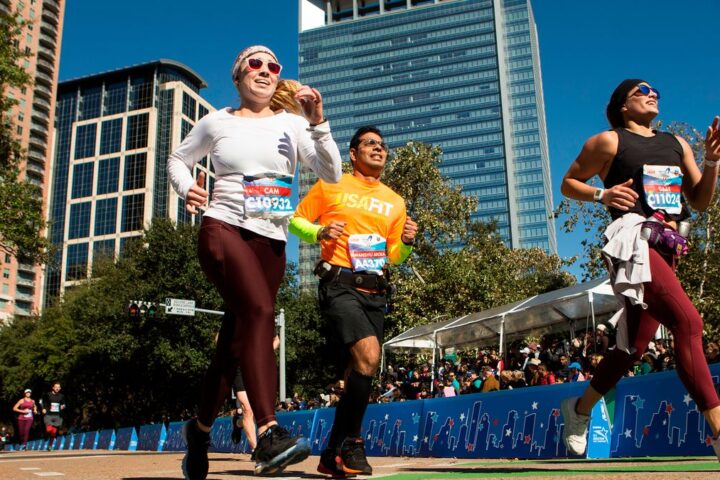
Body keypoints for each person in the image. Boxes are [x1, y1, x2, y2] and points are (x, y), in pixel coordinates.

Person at [167, 45, 342, 479]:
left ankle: (200, 430)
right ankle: (268, 429)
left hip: (272, 243)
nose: (264, 71)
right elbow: (177, 159)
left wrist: (319, 122)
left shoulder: (293, 124)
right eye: (255, 64)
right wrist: (186, 187)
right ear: (238, 75)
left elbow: (332, 173)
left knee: (232, 346)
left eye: (273, 66)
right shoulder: (216, 122)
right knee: (262, 311)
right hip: (223, 227)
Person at [559, 78, 720, 459]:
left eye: (655, 92)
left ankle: (579, 409)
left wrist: (712, 161)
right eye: (641, 92)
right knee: (689, 323)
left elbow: (699, 201)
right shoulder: (608, 141)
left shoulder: (676, 144)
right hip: (631, 239)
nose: (652, 95)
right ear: (623, 106)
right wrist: (603, 193)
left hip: (667, 245)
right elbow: (569, 183)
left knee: (633, 347)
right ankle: (718, 431)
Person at [289, 125, 417, 477]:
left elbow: (396, 256)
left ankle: (331, 454)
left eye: (382, 145)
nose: (378, 149)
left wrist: (406, 241)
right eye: (370, 144)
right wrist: (319, 231)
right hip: (339, 283)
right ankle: (353, 442)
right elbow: (296, 220)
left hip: (376, 289)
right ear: (353, 154)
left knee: (360, 369)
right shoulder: (332, 183)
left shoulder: (395, 200)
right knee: (369, 354)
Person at [40, 381, 66, 451]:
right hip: (49, 414)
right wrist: (43, 409)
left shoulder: (61, 396)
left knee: (54, 432)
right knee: (49, 430)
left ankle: (50, 446)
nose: (57, 388)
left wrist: (63, 406)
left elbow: (63, 403)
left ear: (60, 388)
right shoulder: (48, 395)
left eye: (58, 387)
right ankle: (45, 435)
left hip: (57, 415)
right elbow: (41, 401)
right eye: (56, 387)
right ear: (53, 387)